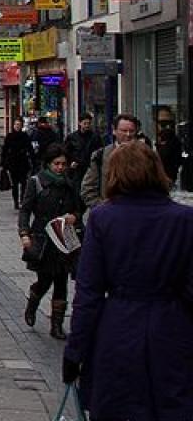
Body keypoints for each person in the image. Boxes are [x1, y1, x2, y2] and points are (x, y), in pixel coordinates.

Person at [63, 142, 193, 420]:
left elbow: (88, 294)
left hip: (118, 328)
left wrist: (75, 352)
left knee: (118, 407)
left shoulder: (103, 218)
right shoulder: (184, 220)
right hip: (171, 329)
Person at [18, 143, 84, 339]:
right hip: (43, 239)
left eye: (63, 164)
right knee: (45, 280)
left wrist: (74, 216)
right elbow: (25, 209)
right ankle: (33, 301)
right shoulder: (36, 182)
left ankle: (57, 325)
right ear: (48, 164)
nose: (60, 168)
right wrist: (24, 233)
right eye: (56, 164)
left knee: (62, 281)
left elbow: (79, 208)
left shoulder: (69, 184)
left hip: (64, 238)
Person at [79, 113, 140, 211]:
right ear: (114, 131)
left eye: (131, 131)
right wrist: (104, 210)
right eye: (124, 131)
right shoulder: (101, 155)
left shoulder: (145, 156)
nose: (128, 135)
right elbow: (87, 189)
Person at [0, 118, 35, 211]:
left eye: (19, 124)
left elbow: (30, 149)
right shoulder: (9, 136)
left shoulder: (25, 136)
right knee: (14, 184)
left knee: (24, 183)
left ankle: (22, 199)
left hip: (23, 163)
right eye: (16, 124)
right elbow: (5, 149)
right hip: (12, 163)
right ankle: (16, 201)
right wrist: (3, 162)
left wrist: (33, 160)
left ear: (21, 126)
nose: (17, 126)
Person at [64, 114, 103, 189]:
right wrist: (70, 163)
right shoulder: (72, 137)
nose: (87, 126)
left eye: (89, 123)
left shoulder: (95, 137)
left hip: (91, 168)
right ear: (80, 123)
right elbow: (66, 152)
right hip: (76, 169)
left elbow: (100, 151)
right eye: (85, 123)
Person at [154, 106, 183, 184]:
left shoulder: (174, 141)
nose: (165, 126)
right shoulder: (150, 139)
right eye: (162, 123)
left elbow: (176, 163)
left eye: (168, 122)